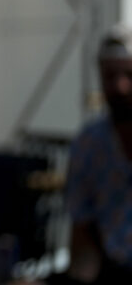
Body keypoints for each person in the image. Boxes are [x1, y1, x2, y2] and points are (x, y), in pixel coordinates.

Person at [52, 23, 132, 285]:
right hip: (112, 270)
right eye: (110, 77)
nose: (120, 87)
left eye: (128, 75)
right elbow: (82, 232)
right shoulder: (89, 144)